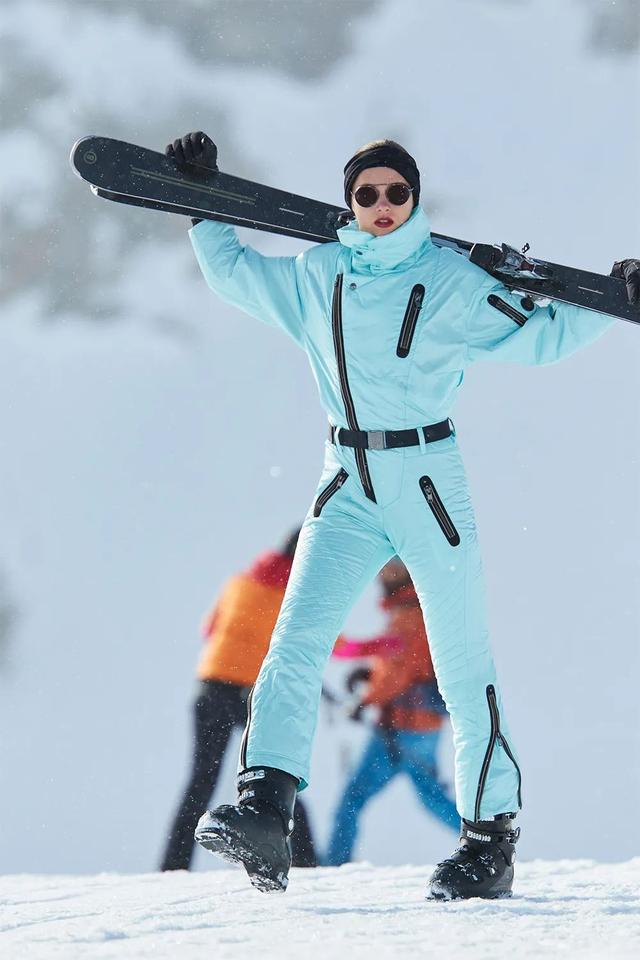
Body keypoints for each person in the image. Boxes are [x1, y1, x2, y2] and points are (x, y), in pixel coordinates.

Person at [166, 130, 639, 899]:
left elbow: (543, 337)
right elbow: (236, 274)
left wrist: (615, 301)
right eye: (368, 194)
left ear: (414, 199)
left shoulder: (453, 280)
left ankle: (489, 842)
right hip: (345, 481)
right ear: (350, 202)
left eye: (397, 192)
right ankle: (265, 807)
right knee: (294, 641)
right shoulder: (318, 275)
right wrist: (200, 201)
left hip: (426, 481)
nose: (383, 205)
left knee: (462, 663)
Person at [159, 529, 317, 871]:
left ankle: (172, 866)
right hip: (248, 693)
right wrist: (379, 648)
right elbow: (327, 643)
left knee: (200, 781)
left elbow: (208, 629)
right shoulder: (292, 594)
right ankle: (308, 861)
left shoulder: (237, 583)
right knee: (277, 770)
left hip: (209, 687)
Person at [325, 557, 458, 866]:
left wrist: (364, 699)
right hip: (416, 725)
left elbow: (397, 671)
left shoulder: (408, 616)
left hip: (405, 726)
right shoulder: (418, 612)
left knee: (354, 798)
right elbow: (401, 663)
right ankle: (484, 844)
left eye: (387, 571)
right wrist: (370, 678)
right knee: (432, 799)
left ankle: (334, 864)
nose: (380, 578)